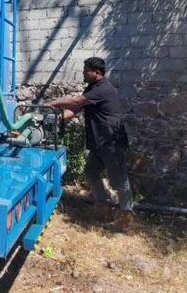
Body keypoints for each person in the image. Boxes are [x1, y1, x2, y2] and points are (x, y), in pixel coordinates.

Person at [46, 57, 134, 230]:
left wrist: (53, 103)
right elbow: (75, 109)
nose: (83, 73)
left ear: (97, 72)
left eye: (86, 70)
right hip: (98, 142)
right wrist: (56, 118)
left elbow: (77, 101)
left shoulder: (104, 88)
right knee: (91, 172)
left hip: (111, 141)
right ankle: (103, 207)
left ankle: (126, 217)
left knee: (120, 179)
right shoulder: (92, 88)